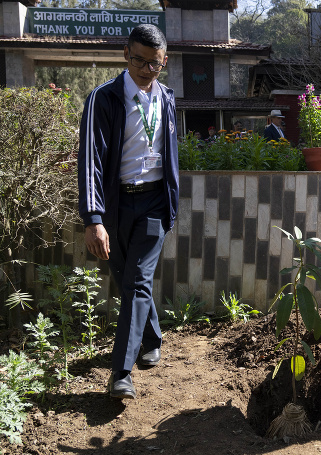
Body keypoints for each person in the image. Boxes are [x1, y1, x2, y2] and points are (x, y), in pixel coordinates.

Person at [77, 24, 179, 399]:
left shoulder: (167, 98)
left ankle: (121, 372)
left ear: (163, 61)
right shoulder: (104, 98)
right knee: (126, 277)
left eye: (154, 64)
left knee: (136, 279)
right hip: (117, 203)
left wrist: (171, 202)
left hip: (154, 202)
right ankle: (152, 337)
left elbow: (170, 154)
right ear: (126, 54)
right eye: (138, 60)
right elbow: (90, 160)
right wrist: (94, 218)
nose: (146, 70)